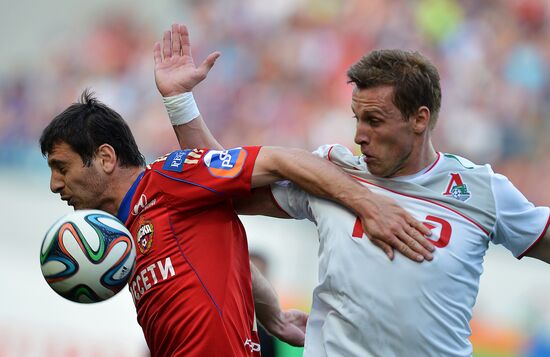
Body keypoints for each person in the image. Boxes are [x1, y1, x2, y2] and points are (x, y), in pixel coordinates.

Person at [162, 24, 550, 356]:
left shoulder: (480, 190)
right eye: (357, 118)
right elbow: (226, 183)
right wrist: (180, 102)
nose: (360, 135)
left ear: (419, 119)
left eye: (375, 121)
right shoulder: (331, 172)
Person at [39, 61, 433, 357]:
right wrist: (274, 316)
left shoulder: (170, 178)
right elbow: (225, 256)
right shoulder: (124, 232)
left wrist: (368, 205)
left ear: (105, 158)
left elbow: (279, 161)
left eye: (62, 167)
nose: (56, 184)